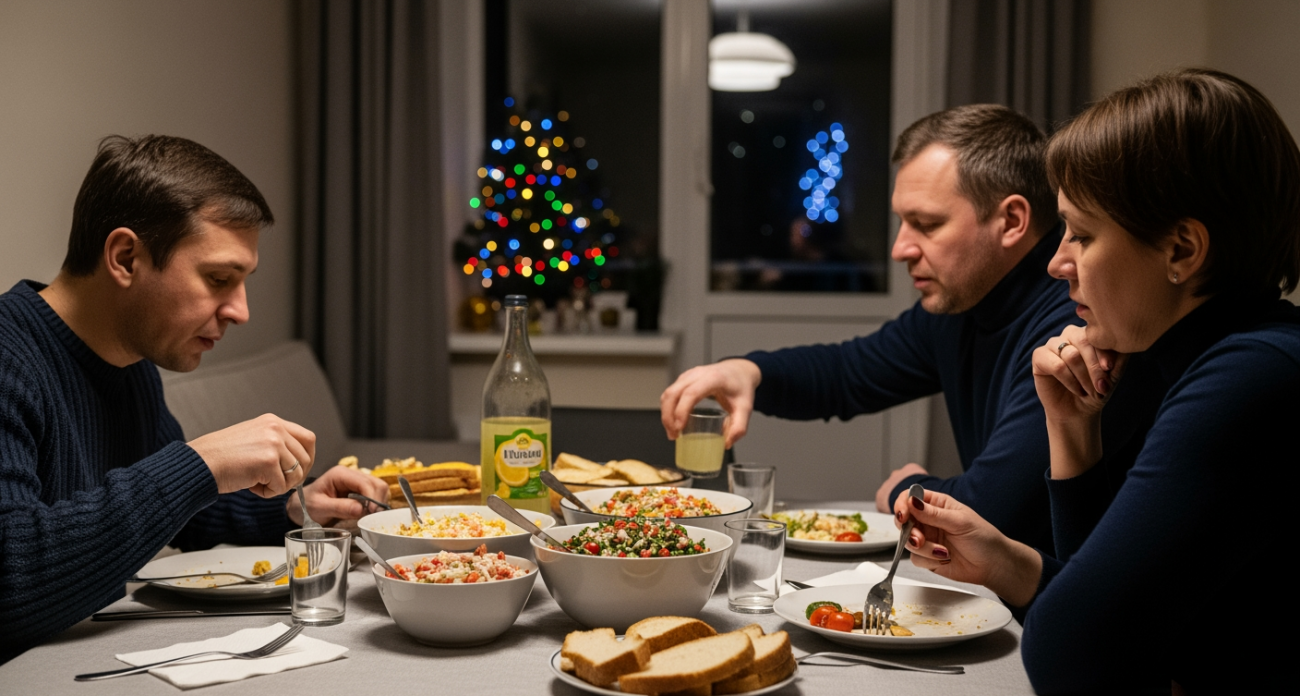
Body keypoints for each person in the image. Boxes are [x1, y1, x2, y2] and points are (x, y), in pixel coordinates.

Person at [895, 69, 1299, 692]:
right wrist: (1069, 434)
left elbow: (1072, 652)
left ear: (1182, 251)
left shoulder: (1251, 376)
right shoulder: (1193, 358)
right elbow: (1123, 626)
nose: (1057, 262)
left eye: (1081, 234)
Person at [0, 135, 389, 662]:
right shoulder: (9, 359)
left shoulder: (132, 364)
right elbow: (11, 585)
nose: (241, 311)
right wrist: (200, 462)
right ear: (125, 256)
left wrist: (297, 509)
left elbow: (186, 515)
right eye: (219, 279)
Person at [663, 105, 1106, 550]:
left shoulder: (1074, 321)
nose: (899, 249)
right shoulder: (965, 302)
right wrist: (748, 372)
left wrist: (907, 486)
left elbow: (988, 513)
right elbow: (849, 372)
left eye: (926, 224)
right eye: (901, 222)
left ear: (1011, 221)